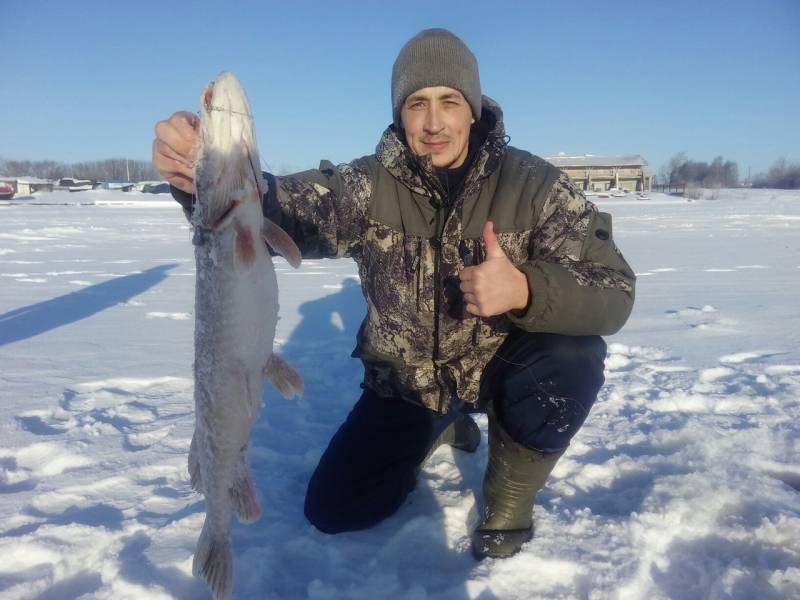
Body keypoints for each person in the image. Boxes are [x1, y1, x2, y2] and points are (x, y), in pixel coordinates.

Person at [152, 28, 635, 560]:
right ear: (400, 113)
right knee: (335, 510)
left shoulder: (536, 186)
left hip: (502, 369)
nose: (433, 123)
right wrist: (199, 175)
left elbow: (613, 289)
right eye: (417, 104)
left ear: (473, 109)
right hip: (407, 388)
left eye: (449, 101)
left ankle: (509, 497)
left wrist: (524, 288)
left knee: (572, 354)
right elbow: (279, 206)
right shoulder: (369, 185)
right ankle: (440, 429)